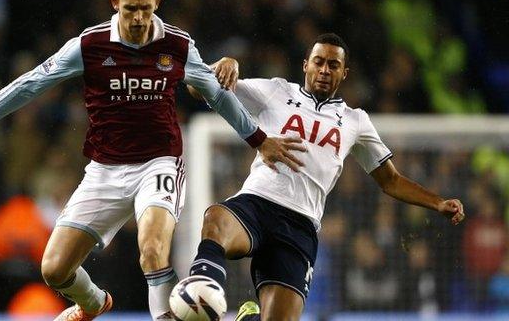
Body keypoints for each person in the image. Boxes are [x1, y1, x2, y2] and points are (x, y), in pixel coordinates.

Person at [0, 0, 305, 320]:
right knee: (54, 269)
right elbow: (31, 83)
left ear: (157, 3)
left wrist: (258, 139)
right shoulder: (89, 45)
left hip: (160, 163)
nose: (138, 18)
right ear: (115, 4)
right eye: (130, 8)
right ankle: (93, 303)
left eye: (145, 8)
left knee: (152, 249)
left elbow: (218, 96)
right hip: (104, 169)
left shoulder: (178, 45)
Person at [185, 33, 466, 321]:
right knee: (216, 219)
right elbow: (200, 89)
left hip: (300, 226)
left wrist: (438, 203)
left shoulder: (356, 121)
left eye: (333, 65)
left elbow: (390, 180)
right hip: (258, 202)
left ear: (344, 73)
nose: (324, 70)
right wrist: (224, 65)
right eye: (319, 62)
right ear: (306, 65)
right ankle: (201, 289)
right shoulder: (276, 92)